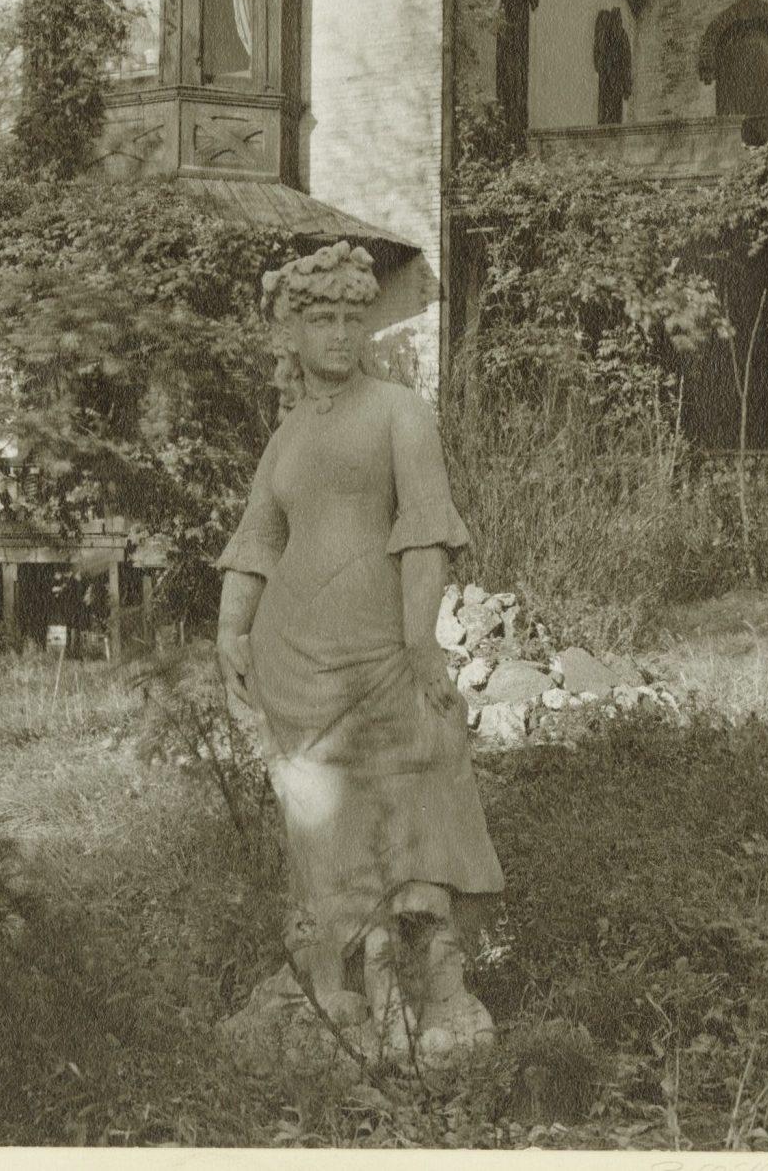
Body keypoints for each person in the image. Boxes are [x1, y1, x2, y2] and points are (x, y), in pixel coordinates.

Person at [216, 241, 502, 1055]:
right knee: (319, 821)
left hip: (382, 654)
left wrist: (422, 644)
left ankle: (430, 988)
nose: (340, 334)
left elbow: (424, 536)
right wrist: (232, 629)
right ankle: (335, 980)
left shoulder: (401, 414)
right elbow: (257, 539)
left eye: (352, 317)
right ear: (291, 332)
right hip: (293, 662)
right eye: (321, 319)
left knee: (415, 793)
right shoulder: (288, 437)